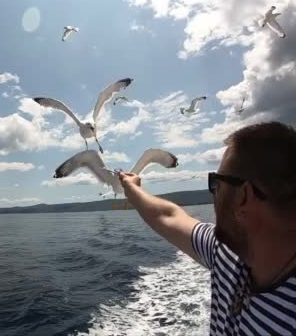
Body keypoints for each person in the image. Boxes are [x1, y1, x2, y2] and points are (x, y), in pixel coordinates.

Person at [119, 121, 296, 335]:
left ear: (243, 196)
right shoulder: (227, 252)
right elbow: (166, 215)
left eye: (216, 182)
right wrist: (132, 188)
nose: (213, 193)